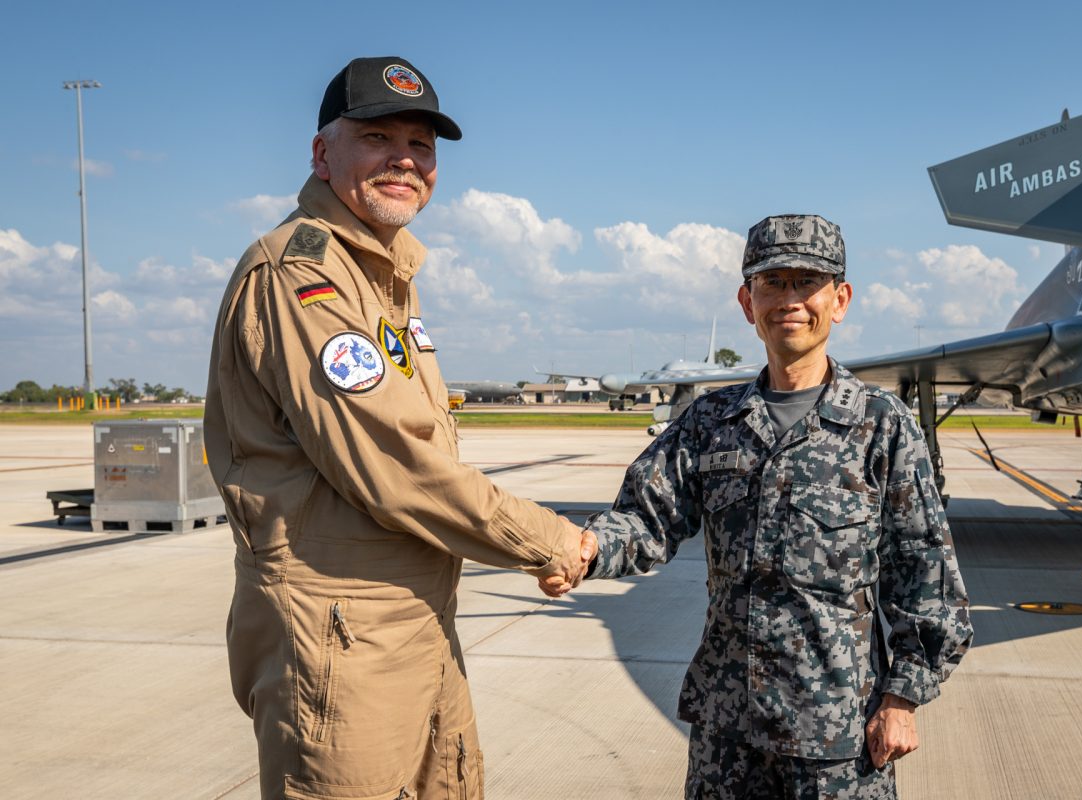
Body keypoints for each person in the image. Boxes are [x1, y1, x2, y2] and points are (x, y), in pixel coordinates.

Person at [204, 57, 592, 800]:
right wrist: (549, 541)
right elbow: (394, 466)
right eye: (377, 137)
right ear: (322, 153)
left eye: (421, 144)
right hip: (340, 627)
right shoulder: (302, 275)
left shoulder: (383, 277)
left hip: (415, 617)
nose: (405, 160)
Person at [569, 214, 973, 798]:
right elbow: (645, 518)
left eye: (807, 282)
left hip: (837, 737)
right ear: (747, 301)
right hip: (727, 735)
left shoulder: (882, 426)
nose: (790, 300)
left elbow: (926, 576)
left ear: (840, 300)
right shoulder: (712, 421)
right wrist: (587, 548)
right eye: (772, 282)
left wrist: (902, 698)